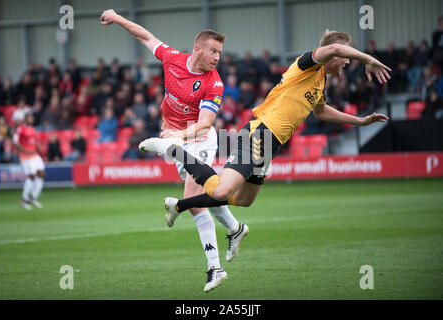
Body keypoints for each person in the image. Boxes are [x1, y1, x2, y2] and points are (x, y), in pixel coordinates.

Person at [140, 29, 391, 245]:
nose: (348, 62)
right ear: (335, 54)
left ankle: (178, 205)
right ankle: (172, 148)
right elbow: (335, 46)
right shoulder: (308, 64)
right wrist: (370, 59)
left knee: (243, 200)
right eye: (347, 57)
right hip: (259, 133)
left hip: (272, 145)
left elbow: (321, 111)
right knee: (222, 191)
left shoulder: (319, 82)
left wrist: (359, 120)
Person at [100, 9, 246, 292]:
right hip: (176, 140)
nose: (218, 58)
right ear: (197, 49)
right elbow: (145, 35)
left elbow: (206, 124)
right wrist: (117, 18)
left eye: (220, 53)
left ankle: (214, 268)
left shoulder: (213, 82)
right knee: (210, 194)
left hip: (199, 141)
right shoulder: (171, 58)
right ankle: (235, 228)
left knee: (194, 202)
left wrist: (178, 134)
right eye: (213, 51)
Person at [13, 113, 45, 210]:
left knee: (41, 174)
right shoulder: (20, 129)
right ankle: (24, 199)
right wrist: (24, 150)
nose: (31, 118)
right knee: (32, 176)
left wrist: (39, 146)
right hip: (26, 156)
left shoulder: (32, 129)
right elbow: (15, 142)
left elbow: (34, 141)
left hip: (34, 154)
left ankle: (33, 198)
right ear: (25, 119)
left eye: (32, 117)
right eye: (29, 117)